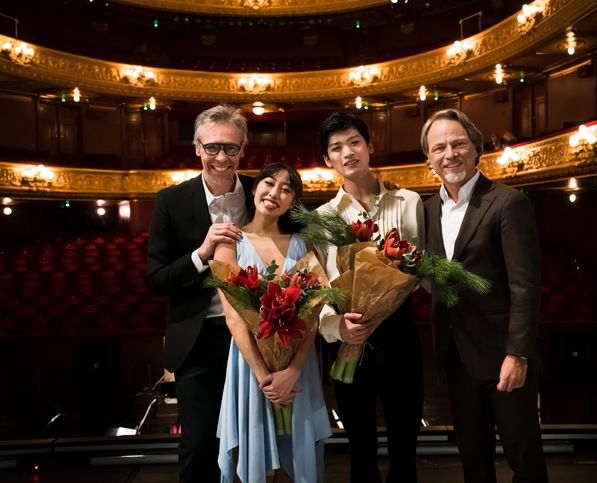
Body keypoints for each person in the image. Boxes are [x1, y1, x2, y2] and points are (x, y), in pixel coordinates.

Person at [421, 108, 548, 483]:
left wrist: (518, 353)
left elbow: (525, 286)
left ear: (477, 149)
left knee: (524, 458)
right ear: (428, 159)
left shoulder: (508, 202)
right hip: (456, 356)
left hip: (504, 356)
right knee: (473, 461)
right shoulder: (426, 210)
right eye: (439, 147)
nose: (450, 154)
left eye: (459, 144)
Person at [147, 104, 254, 483]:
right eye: (212, 148)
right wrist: (200, 254)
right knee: (199, 446)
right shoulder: (171, 200)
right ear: (196, 148)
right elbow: (157, 279)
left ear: (243, 149)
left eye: (230, 148)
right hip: (199, 338)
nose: (221, 157)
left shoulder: (265, 194)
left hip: (261, 335)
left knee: (256, 443)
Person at [315, 111, 424, 483]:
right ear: (328, 160)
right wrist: (337, 328)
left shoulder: (409, 201)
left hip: (399, 332)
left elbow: (421, 266)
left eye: (355, 142)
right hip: (351, 334)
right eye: (336, 148)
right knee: (360, 449)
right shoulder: (321, 218)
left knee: (405, 443)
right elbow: (320, 287)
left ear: (370, 146)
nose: (347, 152)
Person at [215, 162, 332, 483]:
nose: (274, 193)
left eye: (286, 189)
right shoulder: (230, 242)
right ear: (255, 188)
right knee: (254, 463)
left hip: (299, 367)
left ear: (293, 201)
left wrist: (292, 370)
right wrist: (265, 377)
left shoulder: (302, 243)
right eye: (269, 183)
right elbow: (234, 317)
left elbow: (312, 316)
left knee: (296, 460)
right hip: (250, 366)